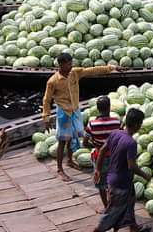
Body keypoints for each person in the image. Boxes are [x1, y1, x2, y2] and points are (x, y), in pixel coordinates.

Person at [42, 53, 119, 181]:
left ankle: (70, 161)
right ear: (61, 65)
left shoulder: (75, 73)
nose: (71, 66)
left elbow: (91, 71)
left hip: (75, 110)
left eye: (71, 63)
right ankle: (60, 169)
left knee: (72, 136)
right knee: (62, 139)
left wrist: (111, 68)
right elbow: (46, 99)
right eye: (68, 64)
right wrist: (46, 117)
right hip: (64, 113)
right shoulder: (53, 81)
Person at [93, 107, 151, 232]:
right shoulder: (131, 143)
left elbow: (102, 150)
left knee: (130, 202)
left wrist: (98, 169)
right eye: (140, 123)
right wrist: (145, 175)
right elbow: (132, 166)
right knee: (113, 212)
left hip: (116, 179)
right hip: (120, 183)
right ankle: (97, 230)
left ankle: (133, 227)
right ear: (137, 125)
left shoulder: (115, 133)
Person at [84, 95, 121, 208]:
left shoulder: (92, 124)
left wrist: (95, 145)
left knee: (101, 183)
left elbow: (85, 143)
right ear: (109, 107)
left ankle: (106, 206)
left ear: (98, 109)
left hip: (99, 157)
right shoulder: (117, 122)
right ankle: (114, 203)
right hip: (114, 157)